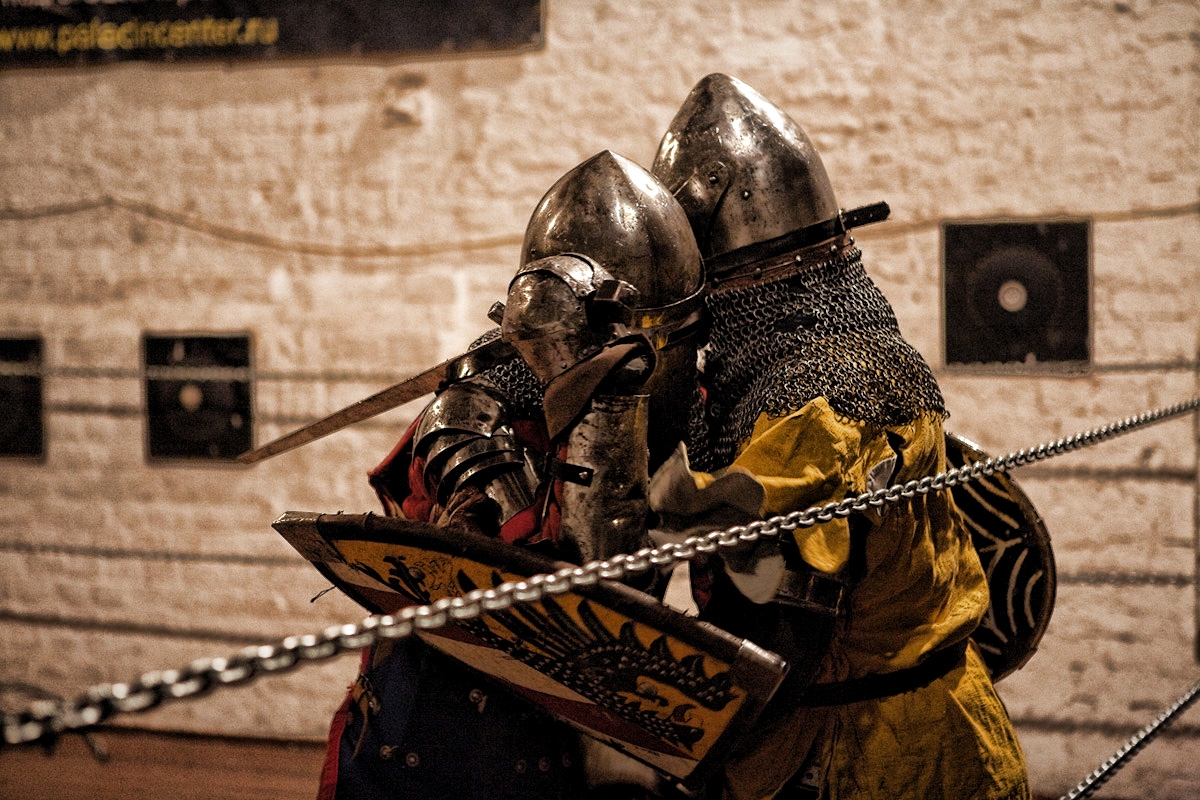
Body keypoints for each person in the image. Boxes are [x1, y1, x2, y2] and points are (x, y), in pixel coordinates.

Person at [646, 73, 1031, 799]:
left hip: (872, 760)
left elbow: (778, 642)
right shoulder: (863, 362)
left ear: (722, 277)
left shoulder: (813, 404)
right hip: (945, 728)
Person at [317, 150, 705, 800]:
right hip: (447, 734)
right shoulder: (473, 417)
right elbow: (572, 578)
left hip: (581, 726)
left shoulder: (691, 405)